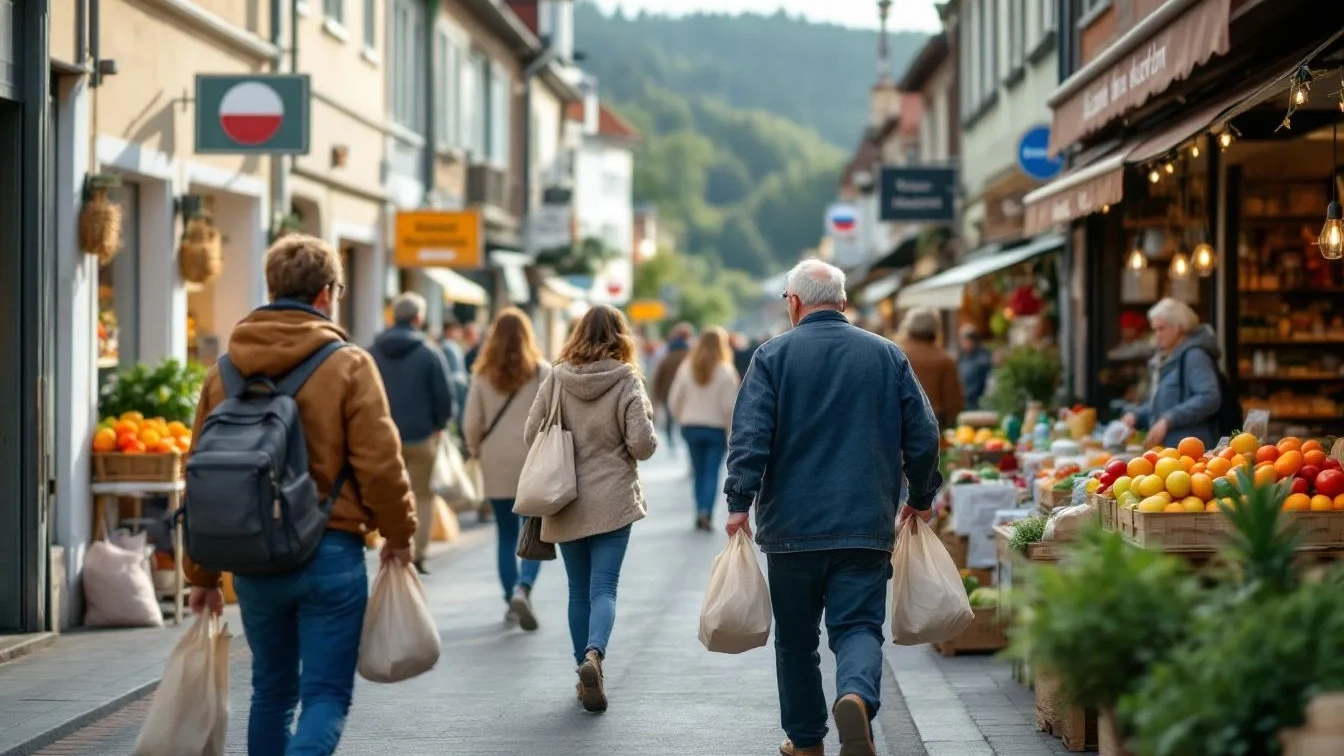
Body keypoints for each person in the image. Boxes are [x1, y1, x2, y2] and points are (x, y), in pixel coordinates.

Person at [185, 234, 417, 756]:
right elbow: (380, 464)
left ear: (272, 287)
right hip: (329, 551)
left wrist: (200, 575)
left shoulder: (223, 372)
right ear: (325, 295)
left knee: (270, 693)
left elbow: (197, 475)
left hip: (253, 559)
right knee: (326, 694)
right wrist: (400, 536)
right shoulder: (348, 364)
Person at [723, 259, 942, 756]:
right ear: (843, 303)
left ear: (794, 302)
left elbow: (750, 436)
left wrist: (739, 500)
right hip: (865, 523)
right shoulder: (887, 355)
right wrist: (921, 496)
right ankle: (856, 697)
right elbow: (925, 436)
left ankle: (805, 742)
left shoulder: (771, 357)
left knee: (796, 640)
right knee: (858, 627)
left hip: (791, 528)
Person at [524, 304, 658, 713]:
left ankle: (582, 673)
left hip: (563, 498)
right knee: (605, 589)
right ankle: (594, 656)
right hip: (613, 499)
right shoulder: (627, 380)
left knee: (578, 590)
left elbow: (532, 432)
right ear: (621, 337)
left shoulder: (556, 378)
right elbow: (642, 445)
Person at [464, 307, 550, 631]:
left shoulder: (483, 375)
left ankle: (510, 597)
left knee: (505, 534)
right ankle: (523, 588)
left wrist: (474, 450)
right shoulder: (541, 372)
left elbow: (472, 422)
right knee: (534, 530)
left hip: (495, 460)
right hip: (534, 460)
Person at [369, 292, 458, 576]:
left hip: (383, 437)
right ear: (418, 318)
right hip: (421, 436)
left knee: (388, 494)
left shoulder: (372, 352)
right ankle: (418, 553)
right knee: (422, 495)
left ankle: (388, 544)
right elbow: (445, 397)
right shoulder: (430, 352)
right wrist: (439, 425)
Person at [1122, 297, 1222, 448]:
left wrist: (1168, 420)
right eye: (1154, 329)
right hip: (1172, 452)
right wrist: (1135, 416)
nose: (1157, 335)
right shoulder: (1168, 357)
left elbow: (1209, 397)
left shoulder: (1194, 355)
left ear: (1178, 327)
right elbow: (1163, 403)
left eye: (1161, 329)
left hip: (1192, 452)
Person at [668, 326, 740, 531]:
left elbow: (674, 399)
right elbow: (730, 407)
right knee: (711, 472)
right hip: (715, 429)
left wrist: (683, 417)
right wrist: (731, 432)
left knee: (698, 470)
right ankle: (705, 511)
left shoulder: (687, 367)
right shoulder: (726, 371)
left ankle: (699, 507)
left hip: (691, 426)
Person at [896, 307, 966, 429]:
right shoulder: (945, 360)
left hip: (900, 422)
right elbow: (954, 404)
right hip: (934, 423)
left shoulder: (897, 355)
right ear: (935, 329)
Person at [650, 322, 694, 452]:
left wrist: (655, 396)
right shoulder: (691, 356)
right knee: (684, 417)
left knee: (670, 417)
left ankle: (671, 440)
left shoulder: (666, 356)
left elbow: (658, 376)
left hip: (667, 392)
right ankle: (682, 439)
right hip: (687, 393)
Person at [957, 324, 993, 410]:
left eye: (963, 340)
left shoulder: (982, 359)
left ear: (971, 340)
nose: (961, 343)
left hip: (976, 402)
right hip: (965, 401)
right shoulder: (963, 357)